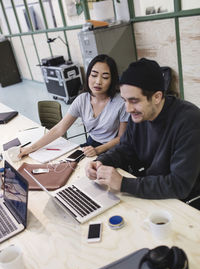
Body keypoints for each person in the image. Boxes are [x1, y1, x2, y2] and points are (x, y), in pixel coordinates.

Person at [85, 58, 200, 209]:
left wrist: (124, 184)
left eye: (134, 101)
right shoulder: (139, 114)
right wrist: (102, 161)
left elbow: (179, 185)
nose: (128, 109)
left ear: (157, 97)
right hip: (151, 189)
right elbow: (125, 149)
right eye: (125, 100)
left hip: (183, 203)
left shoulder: (189, 121)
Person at [19, 54, 129, 159]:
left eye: (105, 77)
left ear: (112, 80)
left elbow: (121, 138)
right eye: (94, 75)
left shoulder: (121, 103)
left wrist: (98, 150)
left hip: (112, 149)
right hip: (91, 144)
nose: (98, 81)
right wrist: (30, 148)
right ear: (88, 76)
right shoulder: (82, 100)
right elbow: (59, 129)